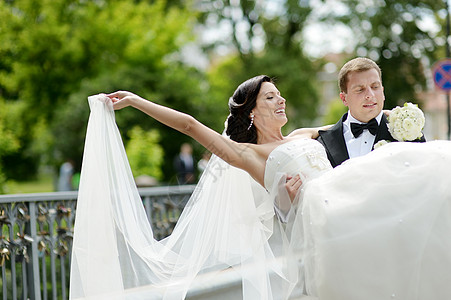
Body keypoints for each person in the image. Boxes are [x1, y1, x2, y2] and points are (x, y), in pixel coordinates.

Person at [70, 75, 451, 300]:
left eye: (279, 94)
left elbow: (359, 123)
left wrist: (393, 115)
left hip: (352, 204)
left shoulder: (305, 134)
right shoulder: (249, 155)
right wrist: (137, 101)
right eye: (271, 96)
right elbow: (189, 125)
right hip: (324, 229)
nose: (281, 98)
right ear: (252, 110)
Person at [317, 57, 425, 167]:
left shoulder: (410, 134)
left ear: (382, 92)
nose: (370, 95)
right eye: (360, 89)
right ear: (344, 98)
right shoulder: (323, 143)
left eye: (375, 87)